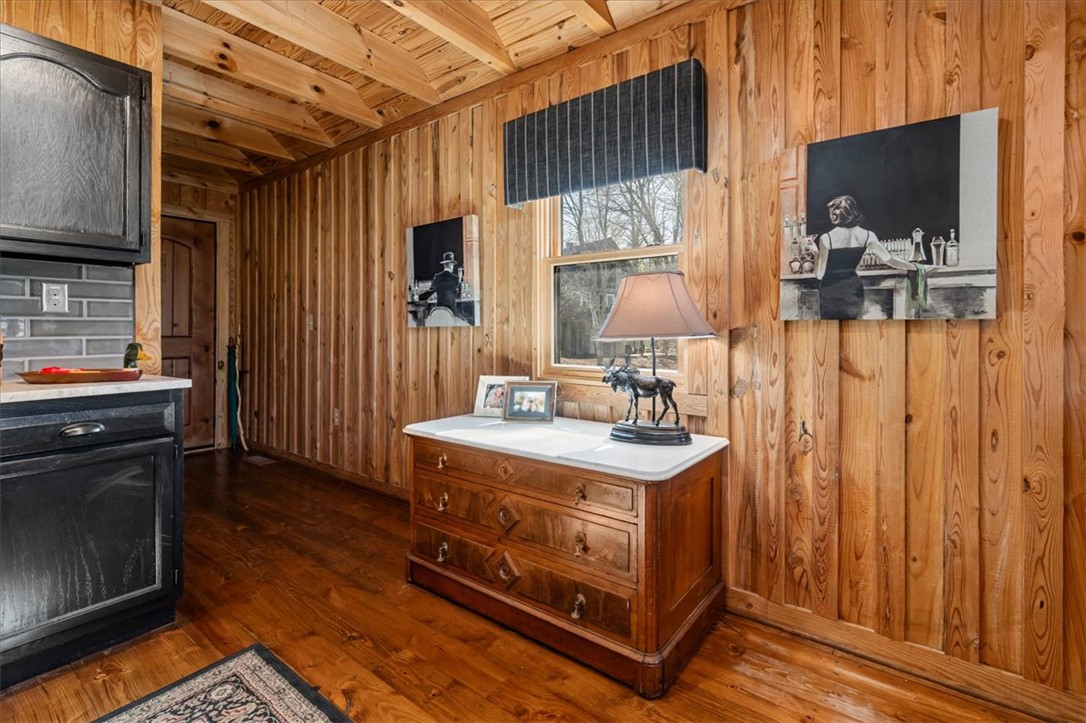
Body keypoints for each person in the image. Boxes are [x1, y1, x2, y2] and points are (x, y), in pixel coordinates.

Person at [814, 194, 914, 319]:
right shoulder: (868, 235)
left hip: (830, 289)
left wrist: (815, 252)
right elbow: (890, 259)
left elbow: (819, 274)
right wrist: (914, 266)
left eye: (831, 213)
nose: (830, 216)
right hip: (853, 287)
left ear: (837, 215)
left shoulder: (826, 238)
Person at [418, 251, 463, 317]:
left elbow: (429, 293)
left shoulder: (437, 277)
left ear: (444, 265)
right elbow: (459, 295)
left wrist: (418, 297)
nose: (453, 267)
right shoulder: (455, 278)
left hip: (440, 313)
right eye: (453, 265)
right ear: (450, 265)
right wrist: (460, 279)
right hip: (452, 314)